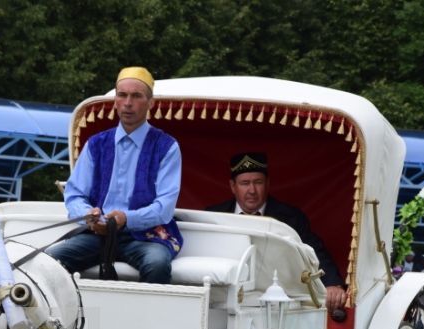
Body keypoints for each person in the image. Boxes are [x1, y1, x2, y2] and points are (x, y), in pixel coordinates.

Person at [47, 66, 183, 284]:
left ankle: (148, 318)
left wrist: (126, 218)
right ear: (116, 101)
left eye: (136, 96)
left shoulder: (166, 147)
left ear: (151, 103)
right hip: (99, 233)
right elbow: (74, 194)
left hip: (146, 236)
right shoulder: (96, 143)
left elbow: (165, 207)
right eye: (122, 95)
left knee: (156, 264)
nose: (128, 103)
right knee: (49, 261)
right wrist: (88, 215)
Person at [207, 152, 345, 313]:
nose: (252, 190)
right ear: (233, 186)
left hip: (277, 301)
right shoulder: (215, 215)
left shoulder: (291, 217)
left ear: (268, 184)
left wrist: (332, 284)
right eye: (245, 183)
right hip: (226, 300)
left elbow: (313, 251)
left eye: (258, 182)